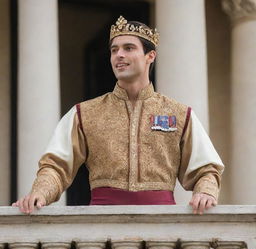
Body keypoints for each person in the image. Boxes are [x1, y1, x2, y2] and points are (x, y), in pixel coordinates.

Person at [12, 16, 224, 217]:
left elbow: (207, 168)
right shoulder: (84, 113)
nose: (119, 55)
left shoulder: (179, 114)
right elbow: (56, 166)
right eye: (114, 50)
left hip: (162, 227)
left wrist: (205, 191)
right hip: (104, 226)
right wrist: (40, 192)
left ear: (150, 56)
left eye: (128, 48)